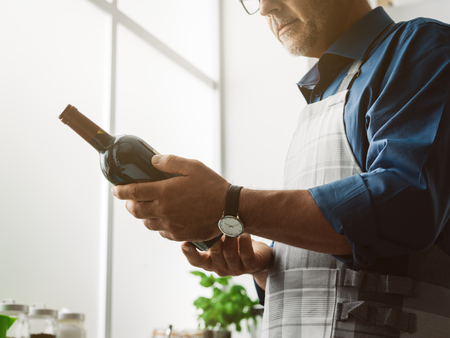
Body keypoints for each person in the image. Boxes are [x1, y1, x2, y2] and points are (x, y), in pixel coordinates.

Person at [112, 0, 450, 336]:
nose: (265, 9)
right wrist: (267, 266)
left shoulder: (420, 46)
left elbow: (408, 204)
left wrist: (231, 204)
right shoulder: (319, 102)